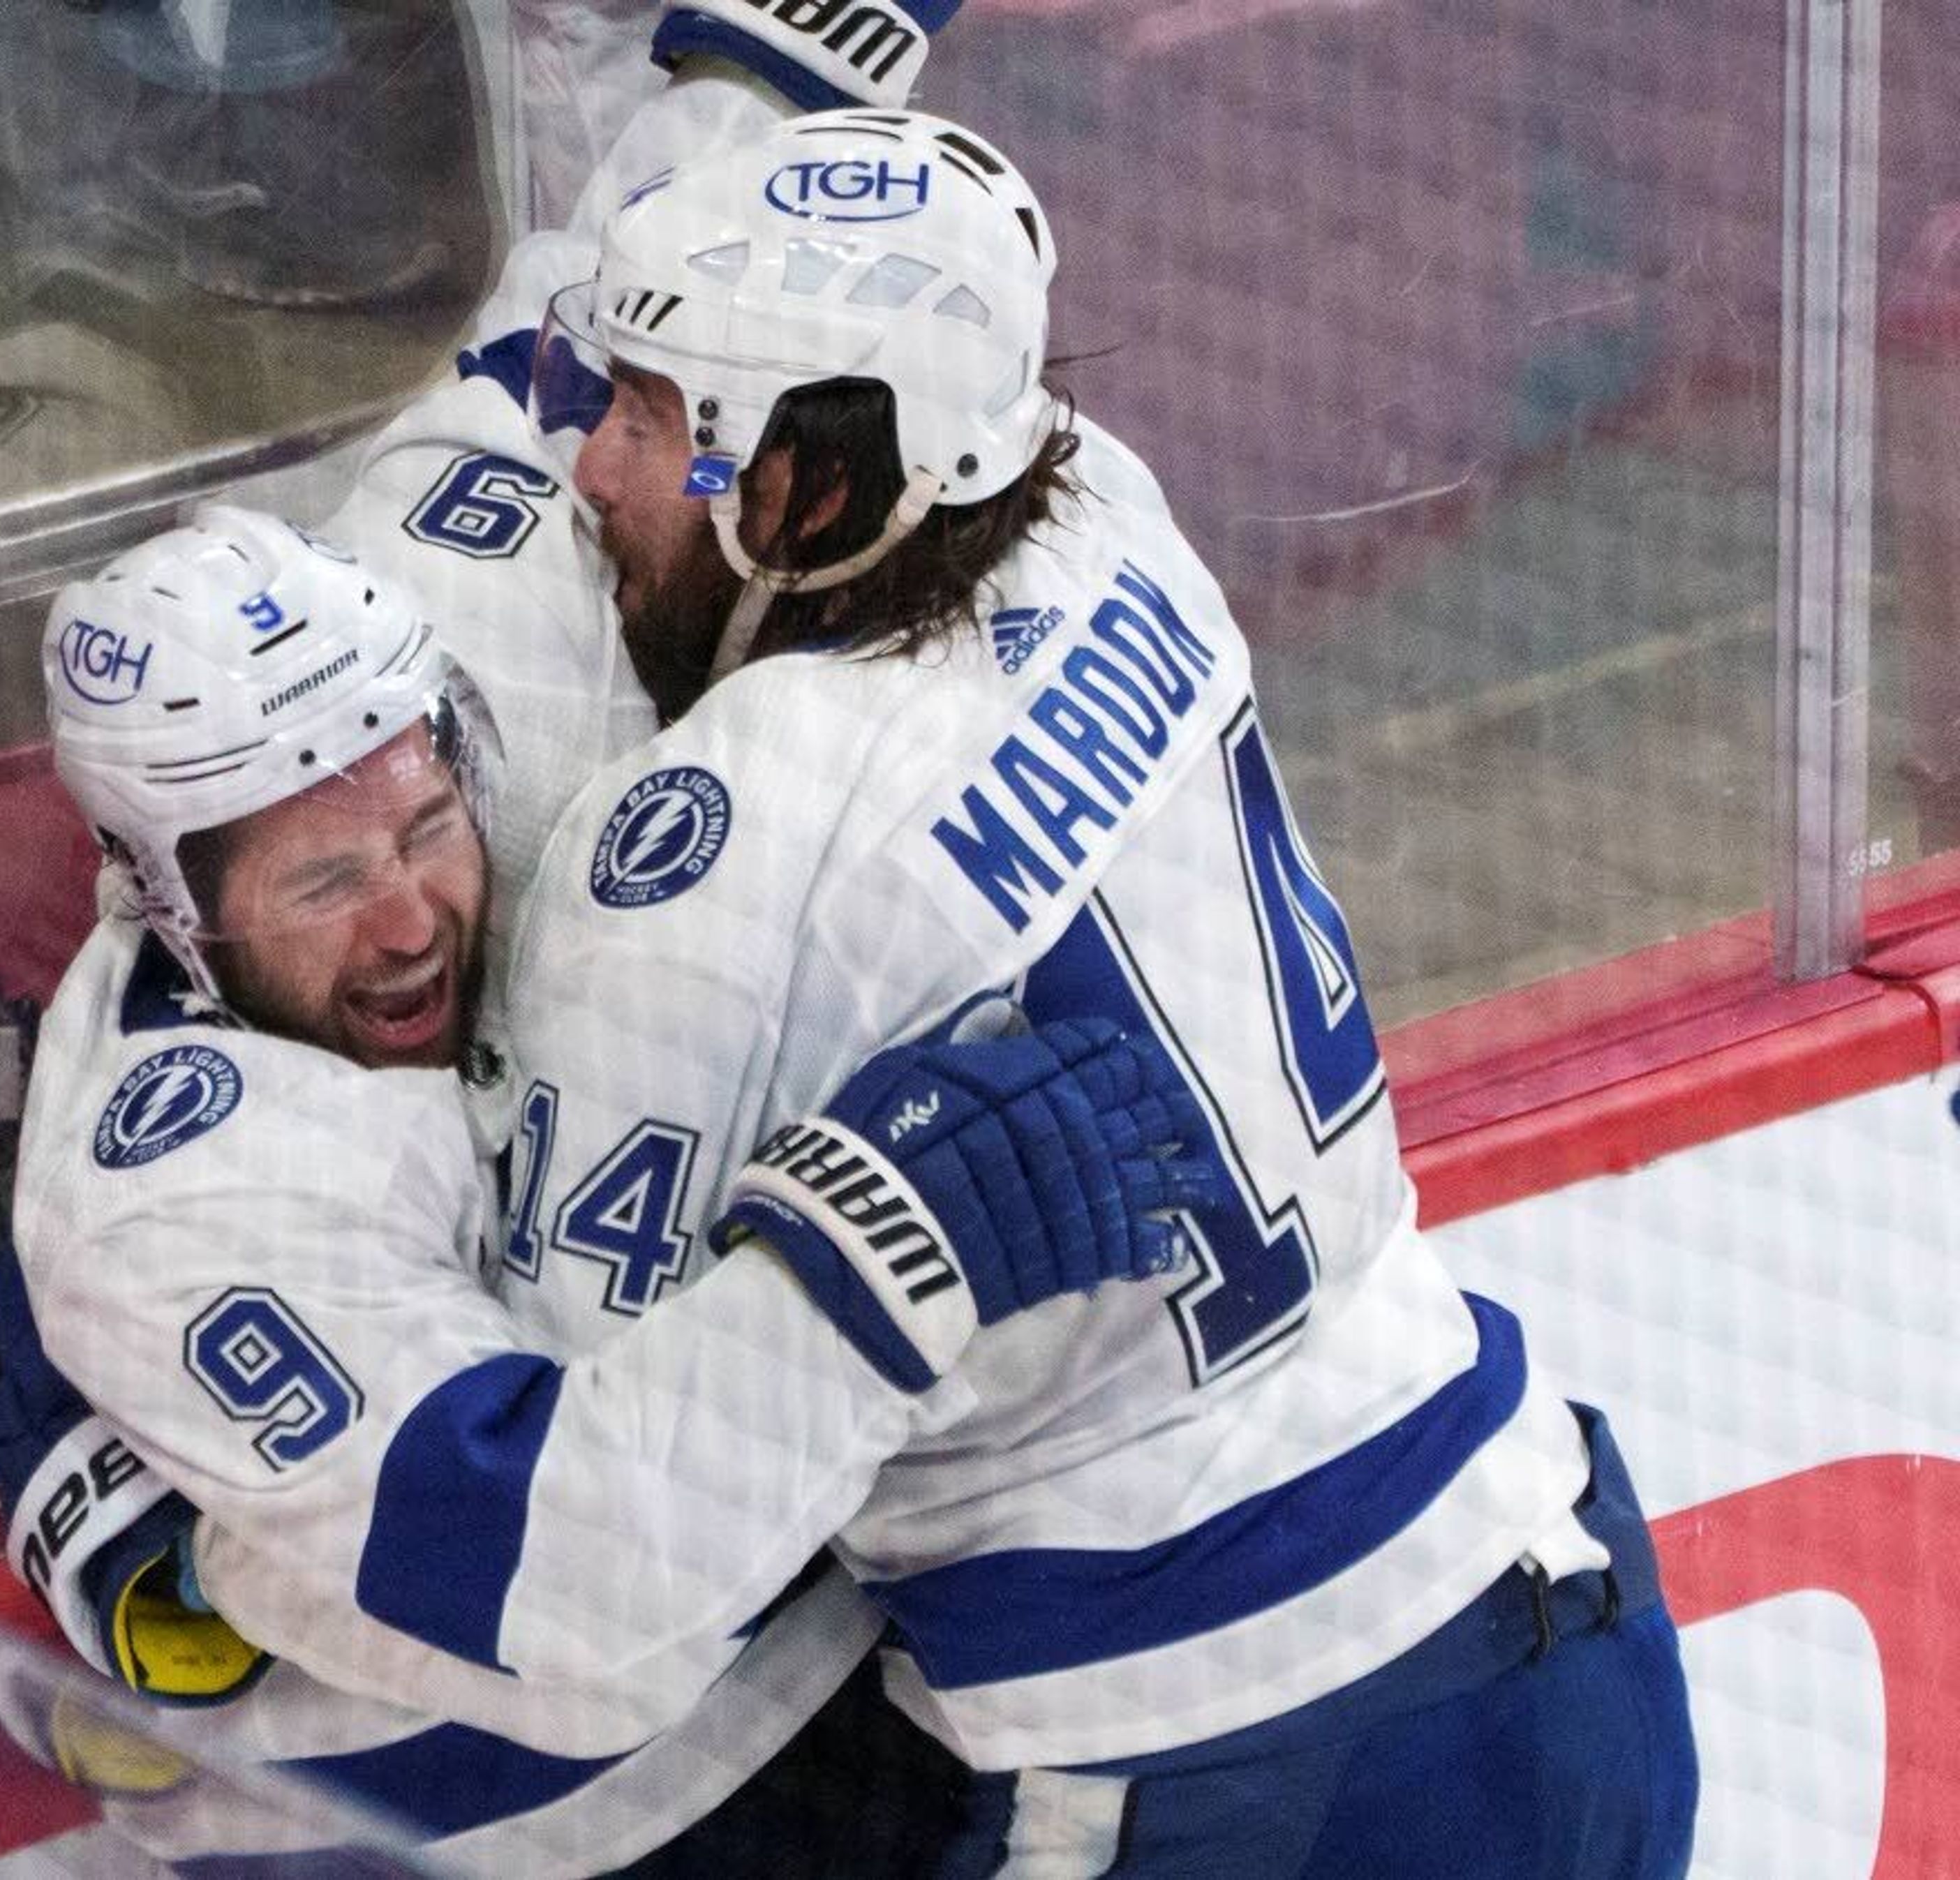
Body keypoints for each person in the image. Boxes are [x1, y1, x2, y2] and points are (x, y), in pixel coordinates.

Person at [447, 106, 1699, 1874]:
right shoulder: (1105, 509)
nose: (596, 474)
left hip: (1222, 1761)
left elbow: (586, 1501)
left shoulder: (697, 862)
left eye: (652, 418)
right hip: (1555, 1604)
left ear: (810, 479)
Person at [0, 502, 1217, 1873]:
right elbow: (587, 1616)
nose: (407, 922)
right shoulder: (184, 1189)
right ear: (168, 902)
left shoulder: (493, 767)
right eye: (324, 881)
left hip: (800, 1743)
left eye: (429, 828)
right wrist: (880, 1248)